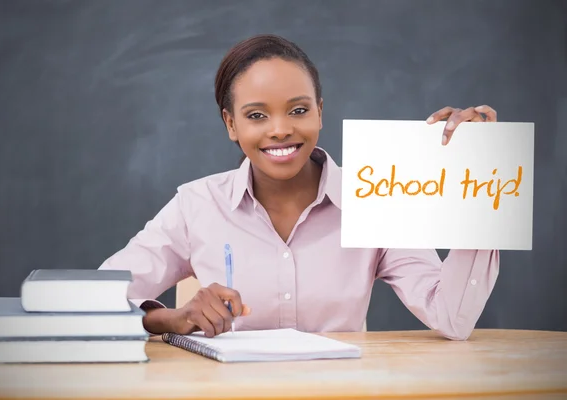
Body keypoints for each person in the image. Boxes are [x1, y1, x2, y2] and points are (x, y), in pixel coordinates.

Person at [99, 34, 500, 341]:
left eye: (298, 110)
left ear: (320, 112)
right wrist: (171, 317)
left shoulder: (374, 197)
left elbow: (452, 317)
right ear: (231, 125)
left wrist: (475, 189)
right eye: (256, 115)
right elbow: (97, 302)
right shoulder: (197, 205)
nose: (280, 129)